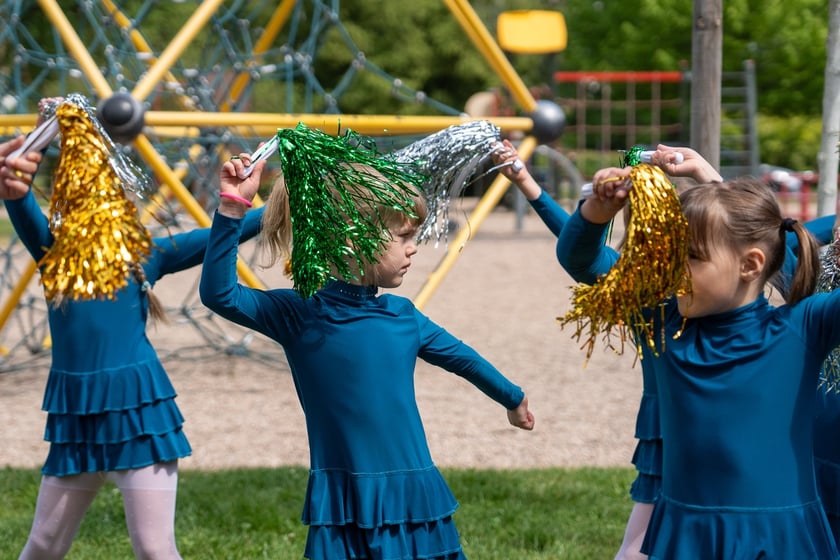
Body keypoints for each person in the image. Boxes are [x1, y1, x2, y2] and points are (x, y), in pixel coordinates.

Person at [199, 152, 535, 560]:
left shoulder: (404, 316)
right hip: (343, 507)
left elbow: (463, 359)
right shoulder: (298, 314)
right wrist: (233, 208)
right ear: (352, 238)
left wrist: (513, 397)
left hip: (415, 501)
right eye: (404, 236)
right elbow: (220, 294)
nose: (414, 249)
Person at [1, 131, 265, 559]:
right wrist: (39, 140)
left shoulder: (143, 255)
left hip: (138, 412)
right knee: (44, 545)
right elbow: (16, 193)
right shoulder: (53, 252)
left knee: (154, 548)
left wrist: (263, 202)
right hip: (76, 416)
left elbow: (224, 229)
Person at [557, 168, 840, 557]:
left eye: (690, 257)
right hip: (687, 536)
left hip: (782, 538)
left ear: (751, 264)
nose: (672, 270)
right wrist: (596, 213)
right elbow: (581, 261)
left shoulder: (803, 328)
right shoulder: (659, 322)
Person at [492, 140, 724, 560]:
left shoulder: (714, 281)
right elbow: (577, 246)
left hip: (705, 432)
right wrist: (531, 185)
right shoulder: (641, 284)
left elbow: (755, 236)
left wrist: (704, 173)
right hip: (677, 433)